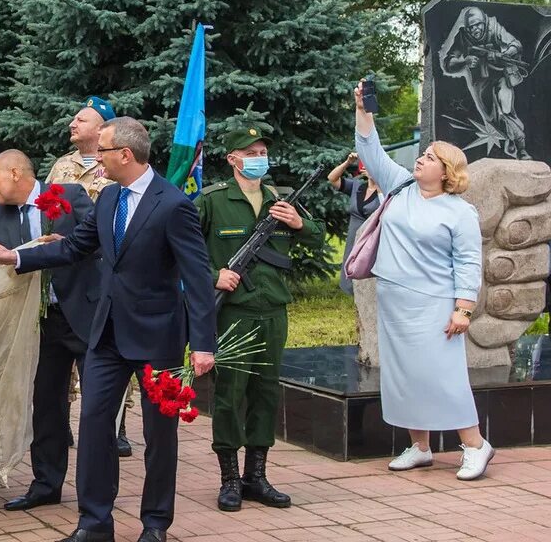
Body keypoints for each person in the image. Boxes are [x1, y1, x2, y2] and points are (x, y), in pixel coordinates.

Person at [0, 117, 216, 542]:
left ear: (125, 155)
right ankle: (94, 523)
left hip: (158, 339)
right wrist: (17, 259)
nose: (96, 158)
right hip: (106, 335)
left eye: (103, 151)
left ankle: (155, 524)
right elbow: (74, 247)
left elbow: (197, 276)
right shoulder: (109, 198)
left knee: (158, 436)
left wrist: (203, 343)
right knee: (93, 425)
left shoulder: (172, 204)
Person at [353, 80, 493, 480]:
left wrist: (463, 308)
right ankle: (420, 446)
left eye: (430, 157)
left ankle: (476, 445)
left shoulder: (459, 211)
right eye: (423, 154)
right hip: (393, 300)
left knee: (441, 377)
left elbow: (469, 261)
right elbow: (369, 150)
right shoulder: (399, 186)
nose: (421, 159)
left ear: (446, 172)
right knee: (402, 376)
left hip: (433, 304)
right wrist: (364, 110)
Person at [196, 124, 324, 512]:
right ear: (232, 159)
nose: (258, 159)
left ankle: (257, 475)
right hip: (233, 312)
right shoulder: (212, 201)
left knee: (266, 392)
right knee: (230, 394)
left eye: (261, 152)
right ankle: (230, 478)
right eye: (249, 153)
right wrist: (213, 276)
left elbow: (316, 239)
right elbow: (181, 254)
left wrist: (299, 223)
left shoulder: (278, 200)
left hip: (272, 310)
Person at [0, 149, 97, 508]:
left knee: (96, 407)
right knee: (46, 404)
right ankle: (46, 485)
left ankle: (94, 493)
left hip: (85, 314)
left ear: (16, 174)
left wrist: (67, 245)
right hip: (42, 320)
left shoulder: (69, 196)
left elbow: (99, 243)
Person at [46, 96, 130, 454]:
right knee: (60, 359)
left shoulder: (115, 167)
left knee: (106, 352)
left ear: (101, 129)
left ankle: (117, 426)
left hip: (103, 272)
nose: (73, 124)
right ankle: (60, 423)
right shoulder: (61, 166)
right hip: (66, 271)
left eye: (81, 120)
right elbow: (46, 206)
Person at [438, 5, 529, 159]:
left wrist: (503, 54)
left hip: (501, 76)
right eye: (472, 27)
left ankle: (521, 148)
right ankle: (509, 141)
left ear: (484, 23)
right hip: (480, 82)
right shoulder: (462, 36)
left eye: (478, 24)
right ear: (467, 28)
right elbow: (448, 63)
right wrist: (464, 61)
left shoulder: (494, 27)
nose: (476, 29)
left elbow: (516, 45)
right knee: (492, 118)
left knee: (506, 109)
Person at [328, 152, 380, 295]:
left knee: (370, 276)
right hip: (354, 237)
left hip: (373, 240)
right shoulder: (357, 186)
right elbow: (332, 178)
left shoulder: (385, 190)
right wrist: (348, 162)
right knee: (352, 268)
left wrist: (378, 181)